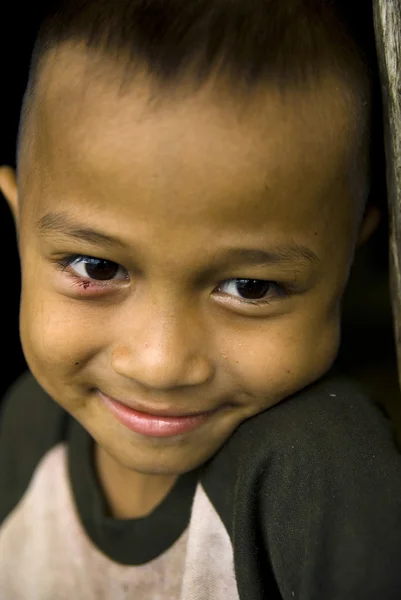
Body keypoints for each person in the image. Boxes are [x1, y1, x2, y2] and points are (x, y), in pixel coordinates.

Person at [0, 0, 400, 598]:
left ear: (351, 259)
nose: (161, 363)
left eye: (251, 287)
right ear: (18, 225)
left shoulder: (316, 469)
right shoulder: (28, 425)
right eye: (97, 267)